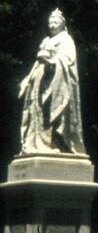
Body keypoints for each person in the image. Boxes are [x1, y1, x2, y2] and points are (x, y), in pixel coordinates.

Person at [19, 9, 85, 155]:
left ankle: (52, 145)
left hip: (55, 83)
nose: (52, 25)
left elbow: (68, 60)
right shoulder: (46, 41)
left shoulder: (66, 40)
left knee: (51, 113)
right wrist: (28, 78)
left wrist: (50, 61)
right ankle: (35, 145)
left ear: (62, 24)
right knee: (36, 113)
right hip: (39, 83)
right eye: (50, 23)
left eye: (55, 22)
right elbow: (36, 64)